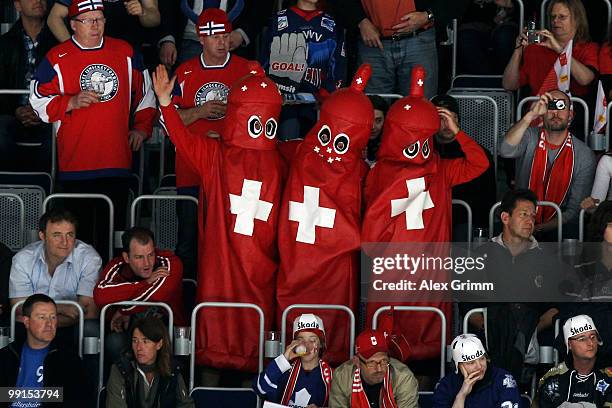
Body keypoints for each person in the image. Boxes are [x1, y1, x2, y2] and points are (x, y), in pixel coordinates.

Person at [153, 63, 284, 373]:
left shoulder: (216, 155)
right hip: (261, 269)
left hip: (219, 269)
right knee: (255, 348)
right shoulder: (282, 160)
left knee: (213, 351)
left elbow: (180, 139)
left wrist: (165, 102)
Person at [362, 66, 488, 364]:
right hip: (393, 267)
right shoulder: (379, 171)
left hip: (427, 268)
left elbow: (479, 163)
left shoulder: (441, 170)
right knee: (387, 343)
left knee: (427, 342)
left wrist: (456, 132)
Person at [29, 1, 156, 258]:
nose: (95, 25)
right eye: (88, 20)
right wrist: (70, 101)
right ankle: (83, 297)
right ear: (73, 25)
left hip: (116, 161)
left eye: (99, 19)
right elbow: (37, 98)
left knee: (114, 237)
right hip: (76, 164)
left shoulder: (125, 52)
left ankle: (112, 291)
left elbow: (146, 94)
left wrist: (142, 129)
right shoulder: (57, 57)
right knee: (79, 241)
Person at [276, 64, 372, 366]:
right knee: (331, 327)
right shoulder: (358, 170)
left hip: (297, 258)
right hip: (332, 267)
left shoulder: (301, 151)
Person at [170, 8, 252, 280]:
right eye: (215, 37)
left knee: (232, 243)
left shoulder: (247, 70)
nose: (222, 42)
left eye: (226, 35)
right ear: (201, 39)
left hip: (234, 173)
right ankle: (186, 310)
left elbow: (259, 120)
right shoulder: (184, 72)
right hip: (191, 171)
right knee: (189, 242)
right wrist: (199, 112)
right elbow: (169, 120)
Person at [474, 189, 563, 386]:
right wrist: (492, 327)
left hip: (530, 335)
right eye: (524, 214)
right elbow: (467, 306)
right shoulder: (482, 255)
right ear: (505, 217)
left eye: (533, 216)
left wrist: (531, 329)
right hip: (490, 337)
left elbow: (556, 306)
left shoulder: (546, 259)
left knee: (522, 314)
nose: (530, 221)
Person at [499, 90, 595, 236]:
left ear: (570, 116)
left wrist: (540, 228)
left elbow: (574, 210)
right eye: (551, 106)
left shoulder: (584, 154)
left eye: (561, 106)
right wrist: (530, 115)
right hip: (521, 219)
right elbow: (505, 150)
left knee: (570, 230)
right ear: (542, 114)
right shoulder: (529, 136)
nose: (556, 113)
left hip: (560, 226)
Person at [94, 227, 187, 362]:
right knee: (114, 341)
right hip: (131, 332)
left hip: (168, 330)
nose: (147, 263)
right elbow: (100, 295)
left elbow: (158, 296)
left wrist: (124, 310)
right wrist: (145, 283)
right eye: (139, 257)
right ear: (126, 257)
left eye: (150, 255)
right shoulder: (117, 265)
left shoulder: (169, 262)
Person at [261, 0, 345, 140]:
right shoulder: (277, 20)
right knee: (286, 145)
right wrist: (271, 93)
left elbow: (338, 66)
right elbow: (264, 62)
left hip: (317, 105)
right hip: (283, 103)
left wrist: (326, 94)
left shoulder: (332, 24)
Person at [9, 209, 101, 329]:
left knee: (90, 328)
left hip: (71, 327)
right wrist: (61, 308)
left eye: (70, 234)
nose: (65, 242)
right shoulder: (23, 259)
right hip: (33, 329)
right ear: (42, 236)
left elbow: (89, 312)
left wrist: (39, 319)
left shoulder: (89, 258)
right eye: (57, 235)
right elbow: (18, 308)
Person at [0, 294, 87, 407]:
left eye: (53, 317)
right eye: (42, 317)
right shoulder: (7, 355)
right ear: (26, 321)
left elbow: (77, 400)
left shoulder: (69, 359)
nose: (49, 324)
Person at [0, 0, 56, 172]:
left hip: (50, 114)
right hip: (12, 114)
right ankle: (11, 192)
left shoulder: (58, 42)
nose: (38, 1)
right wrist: (16, 109)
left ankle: (48, 192)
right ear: (17, 6)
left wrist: (43, 110)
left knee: (59, 137)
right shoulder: (4, 44)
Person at [502, 0, 599, 98]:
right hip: (538, 109)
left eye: (562, 17)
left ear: (577, 19)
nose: (555, 21)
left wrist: (560, 51)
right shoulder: (535, 48)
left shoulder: (589, 47)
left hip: (571, 109)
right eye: (553, 17)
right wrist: (518, 50)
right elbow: (509, 85)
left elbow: (585, 80)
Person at [431, 93, 497, 234]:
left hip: (466, 222)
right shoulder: (424, 151)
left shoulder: (477, 152)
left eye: (453, 117)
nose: (448, 123)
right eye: (442, 118)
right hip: (432, 218)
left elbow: (487, 200)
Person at [105, 315, 194, 407]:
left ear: (159, 344)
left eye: (145, 341)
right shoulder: (121, 370)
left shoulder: (172, 370)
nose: (139, 347)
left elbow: (186, 405)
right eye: (135, 341)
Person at [253, 313, 333, 406]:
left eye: (312, 340)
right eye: (301, 340)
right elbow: (260, 388)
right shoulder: (284, 372)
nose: (307, 345)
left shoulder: (332, 376)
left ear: (321, 344)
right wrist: (284, 358)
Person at [534, 314, 612, 407]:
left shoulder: (608, 377)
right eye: (582, 339)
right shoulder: (552, 379)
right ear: (569, 344)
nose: (590, 343)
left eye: (593, 337)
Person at [329, 328, 419, 407]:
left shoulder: (403, 377)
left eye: (384, 361)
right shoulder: (342, 377)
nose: (379, 369)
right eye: (371, 363)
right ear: (357, 362)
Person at [432, 334, 520, 407]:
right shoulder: (446, 385)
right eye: (471, 363)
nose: (479, 366)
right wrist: (461, 395)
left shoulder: (503, 380)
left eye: (482, 359)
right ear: (458, 365)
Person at [47, 0, 160, 51]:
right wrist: (75, 49)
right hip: (90, 56)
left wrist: (143, 12)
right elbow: (54, 19)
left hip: (128, 57)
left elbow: (155, 20)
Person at [457, 0, 518, 75]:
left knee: (505, 36)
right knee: (466, 38)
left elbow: (529, 7)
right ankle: (482, 81)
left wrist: (511, 4)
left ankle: (503, 79)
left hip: (509, 24)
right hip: (478, 23)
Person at [365, 94, 388, 166]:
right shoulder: (351, 142)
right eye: (369, 120)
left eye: (378, 120)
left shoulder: (392, 143)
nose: (373, 127)